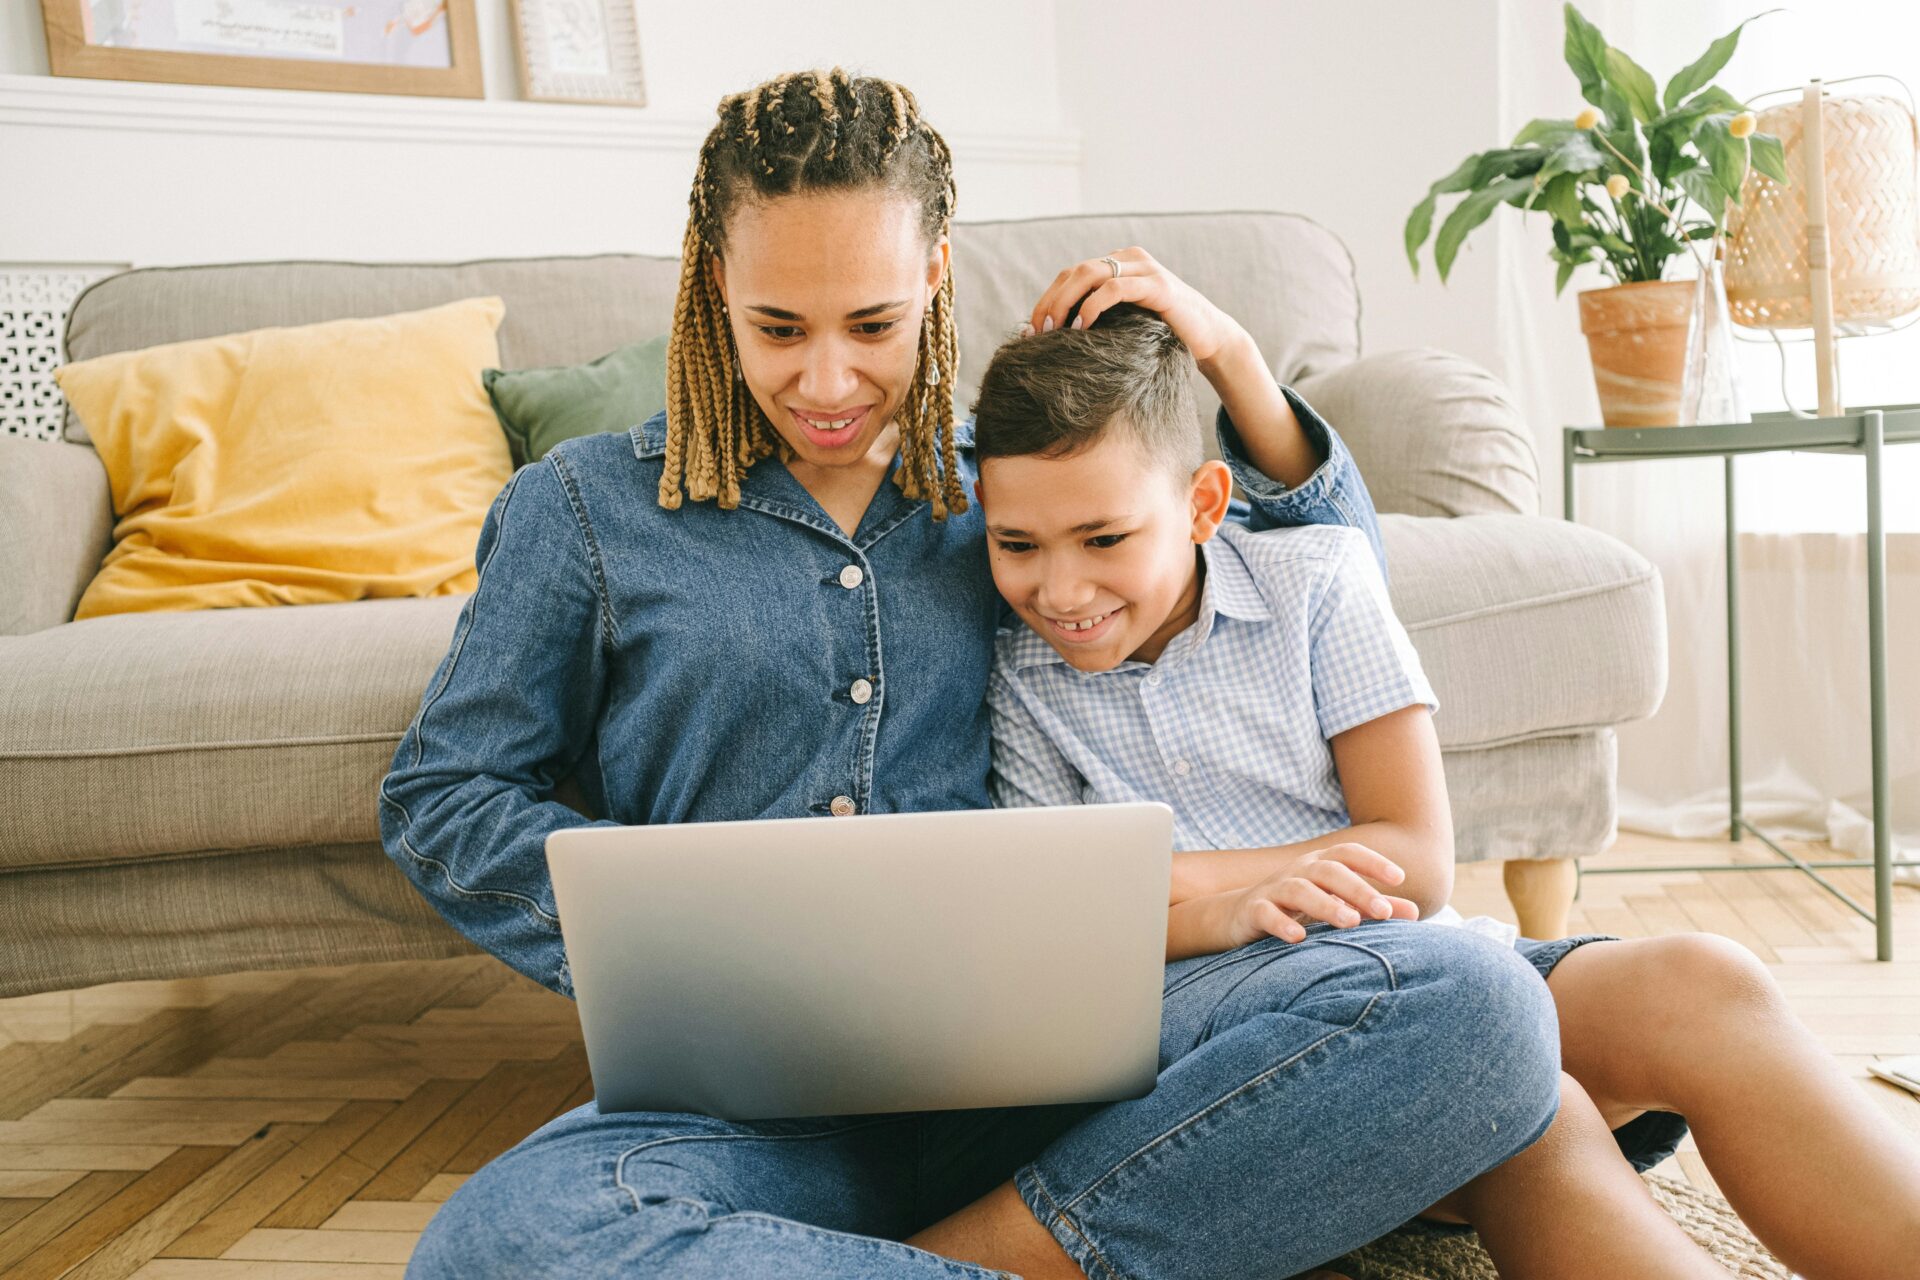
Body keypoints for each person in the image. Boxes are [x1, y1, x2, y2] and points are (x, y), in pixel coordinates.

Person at [378, 69, 1565, 1279]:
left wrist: (1227, 351)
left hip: (1075, 1052)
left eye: (875, 325)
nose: (828, 382)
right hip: (752, 1103)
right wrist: (662, 938)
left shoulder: (1013, 495)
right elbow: (442, 794)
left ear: (938, 274)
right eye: (779, 327)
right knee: (498, 1244)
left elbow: (1322, 568)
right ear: (710, 282)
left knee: (1471, 1005)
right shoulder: (583, 509)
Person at [968, 299, 1920, 1280]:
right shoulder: (1015, 674)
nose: (1062, 590)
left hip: (1431, 960)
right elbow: (1072, 919)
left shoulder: (1318, 581)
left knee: (1703, 980)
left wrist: (1181, 879)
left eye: (1104, 538)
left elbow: (1417, 860)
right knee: (1521, 1096)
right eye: (1018, 544)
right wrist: (1216, 912)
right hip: (1238, 1045)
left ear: (1205, 503)